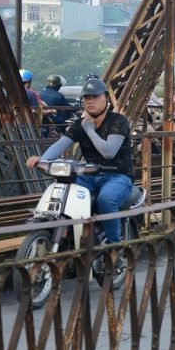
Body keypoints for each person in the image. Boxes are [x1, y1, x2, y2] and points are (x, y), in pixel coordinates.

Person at [26, 78, 134, 246]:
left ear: (105, 98)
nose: (90, 101)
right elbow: (60, 144)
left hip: (117, 175)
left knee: (106, 199)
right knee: (62, 191)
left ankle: (115, 247)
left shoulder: (118, 121)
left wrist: (90, 131)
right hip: (89, 174)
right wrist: (42, 160)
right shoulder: (79, 125)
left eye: (95, 97)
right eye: (86, 98)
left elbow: (108, 152)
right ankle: (75, 237)